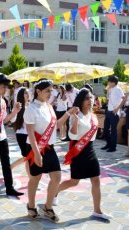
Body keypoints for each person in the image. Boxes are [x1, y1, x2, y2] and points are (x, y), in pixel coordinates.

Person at [23, 79, 75, 222]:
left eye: (51, 90)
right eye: (47, 90)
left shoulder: (49, 107)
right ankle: (31, 206)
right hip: (35, 148)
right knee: (35, 177)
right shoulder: (31, 109)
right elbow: (31, 134)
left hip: (50, 147)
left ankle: (47, 207)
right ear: (38, 91)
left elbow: (56, 125)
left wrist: (69, 113)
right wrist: (37, 153)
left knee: (57, 177)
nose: (50, 93)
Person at [57, 88, 111, 220]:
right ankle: (53, 192)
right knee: (74, 182)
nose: (90, 100)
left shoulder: (92, 115)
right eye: (87, 98)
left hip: (90, 150)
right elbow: (72, 135)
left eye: (91, 98)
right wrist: (75, 120)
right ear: (81, 101)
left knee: (96, 180)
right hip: (78, 151)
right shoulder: (76, 115)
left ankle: (97, 211)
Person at [101, 76, 126, 152]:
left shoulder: (118, 89)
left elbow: (124, 99)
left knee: (113, 130)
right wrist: (108, 92)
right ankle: (108, 144)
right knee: (105, 129)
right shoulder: (111, 89)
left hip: (114, 112)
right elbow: (107, 100)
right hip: (108, 111)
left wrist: (117, 108)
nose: (108, 83)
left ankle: (113, 147)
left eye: (109, 82)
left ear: (113, 82)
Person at [10, 87, 30, 177]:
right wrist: (15, 111)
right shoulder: (18, 106)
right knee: (27, 157)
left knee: (28, 157)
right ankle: (11, 167)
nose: (28, 95)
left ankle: (31, 178)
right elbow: (12, 120)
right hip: (21, 134)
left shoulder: (30, 106)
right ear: (22, 95)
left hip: (30, 135)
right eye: (26, 93)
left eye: (29, 93)